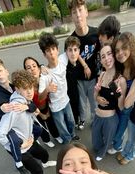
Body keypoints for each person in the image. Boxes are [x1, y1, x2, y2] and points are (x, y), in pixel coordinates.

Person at [0, 69, 56, 174]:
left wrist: (29, 107)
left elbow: (33, 109)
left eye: (31, 88)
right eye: (25, 88)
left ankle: (46, 163)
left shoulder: (25, 100)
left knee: (43, 154)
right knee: (36, 168)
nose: (29, 92)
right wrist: (17, 146)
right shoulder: (14, 109)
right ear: (17, 89)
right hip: (21, 147)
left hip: (30, 140)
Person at [0, 55, 37, 174]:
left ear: (6, 71)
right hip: (7, 129)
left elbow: (31, 103)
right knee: (20, 149)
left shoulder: (15, 86)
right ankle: (21, 166)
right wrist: (0, 110)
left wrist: (27, 107)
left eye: (0, 70)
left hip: (21, 125)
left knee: (36, 136)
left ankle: (32, 156)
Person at [38, 33, 80, 144]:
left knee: (71, 121)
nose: (51, 53)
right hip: (55, 107)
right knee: (62, 127)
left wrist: (84, 65)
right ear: (44, 54)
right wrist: (47, 89)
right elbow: (40, 97)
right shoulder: (44, 76)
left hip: (66, 100)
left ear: (57, 49)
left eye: (53, 49)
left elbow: (74, 52)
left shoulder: (63, 58)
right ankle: (68, 142)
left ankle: (72, 135)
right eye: (48, 50)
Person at [107, 32, 135, 155]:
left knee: (119, 132)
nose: (120, 53)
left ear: (131, 48)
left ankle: (118, 147)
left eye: (124, 48)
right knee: (116, 129)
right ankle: (118, 143)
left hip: (129, 110)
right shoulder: (119, 68)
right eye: (117, 51)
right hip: (118, 105)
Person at [69, 0, 100, 130]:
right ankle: (82, 119)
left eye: (80, 10)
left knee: (94, 103)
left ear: (86, 12)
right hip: (79, 79)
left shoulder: (96, 33)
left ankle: (94, 120)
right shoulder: (71, 39)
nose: (78, 15)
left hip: (93, 78)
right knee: (82, 104)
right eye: (74, 12)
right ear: (71, 16)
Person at [92, 43, 126, 161]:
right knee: (95, 142)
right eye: (103, 56)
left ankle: (102, 153)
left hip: (110, 119)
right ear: (100, 61)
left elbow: (121, 107)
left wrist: (120, 95)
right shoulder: (101, 75)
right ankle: (99, 150)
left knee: (107, 141)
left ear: (114, 55)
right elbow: (95, 96)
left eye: (109, 54)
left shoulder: (120, 80)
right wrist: (96, 96)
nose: (107, 59)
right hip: (97, 116)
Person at [23, 56, 62, 146]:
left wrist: (47, 110)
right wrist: (41, 114)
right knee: (42, 127)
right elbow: (30, 104)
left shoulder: (44, 78)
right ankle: (46, 140)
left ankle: (56, 135)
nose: (32, 69)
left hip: (47, 107)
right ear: (26, 71)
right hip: (36, 112)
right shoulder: (27, 86)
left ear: (38, 67)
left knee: (52, 123)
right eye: (28, 68)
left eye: (34, 66)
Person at [64, 36, 81, 128]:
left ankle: (77, 120)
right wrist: (42, 67)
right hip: (67, 95)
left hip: (76, 92)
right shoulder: (63, 66)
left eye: (75, 50)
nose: (73, 53)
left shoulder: (79, 64)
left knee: (77, 106)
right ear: (66, 51)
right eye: (70, 50)